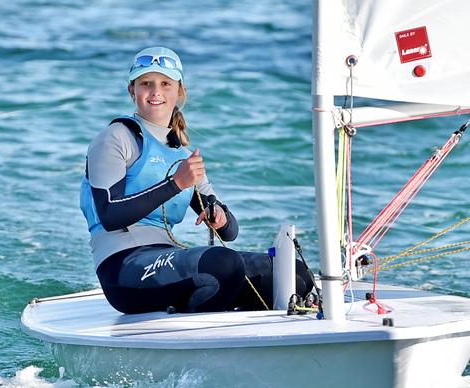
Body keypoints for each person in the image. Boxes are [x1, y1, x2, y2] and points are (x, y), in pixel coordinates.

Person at [80, 46, 314, 314]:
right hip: (122, 268)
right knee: (223, 266)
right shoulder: (115, 138)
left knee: (292, 273)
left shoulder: (183, 155)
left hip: (164, 258)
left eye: (165, 84)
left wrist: (220, 216)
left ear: (179, 91)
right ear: (132, 91)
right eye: (146, 83)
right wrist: (175, 185)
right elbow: (110, 214)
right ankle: (197, 330)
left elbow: (230, 232)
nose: (156, 92)